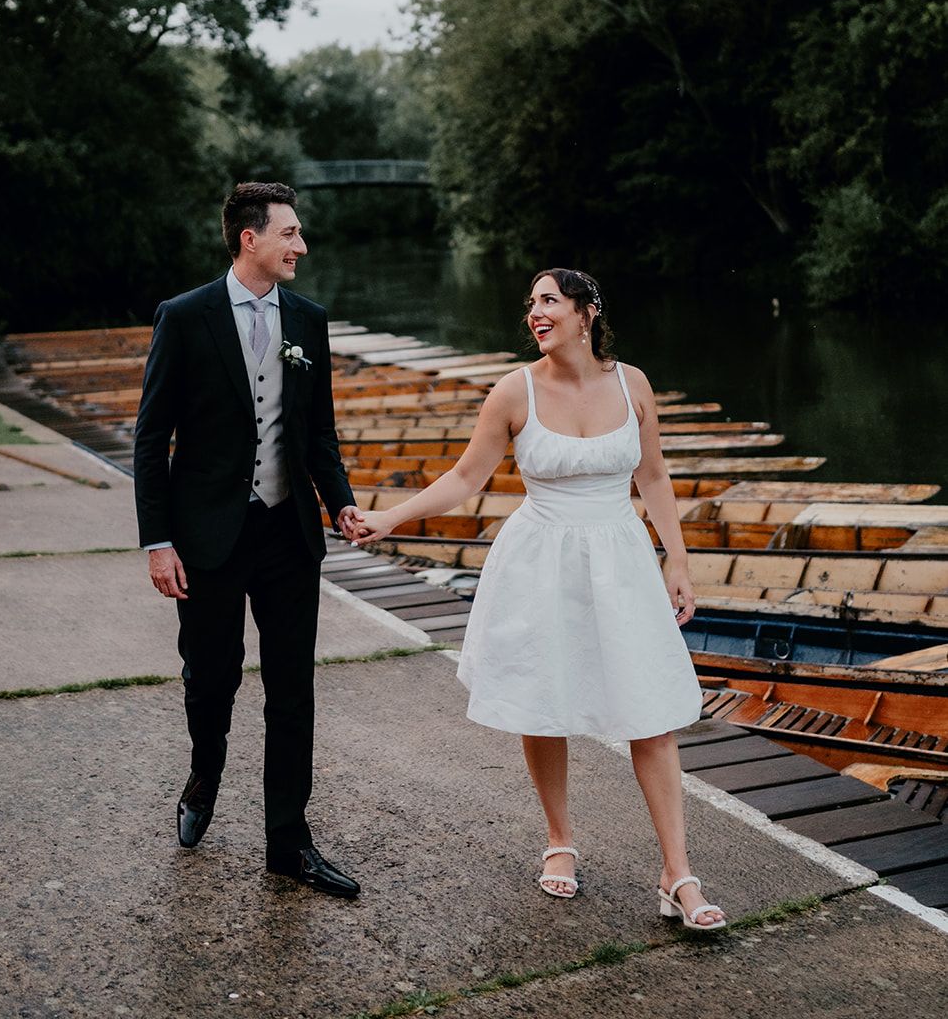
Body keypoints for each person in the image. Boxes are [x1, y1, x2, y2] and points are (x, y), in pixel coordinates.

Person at [353, 267, 726, 929]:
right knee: (542, 700)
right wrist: (388, 517)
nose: (534, 312)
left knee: (651, 712)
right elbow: (466, 477)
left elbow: (653, 474)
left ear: (586, 313)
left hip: (619, 558)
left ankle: (677, 875)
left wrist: (677, 559)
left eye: (548, 300)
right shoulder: (512, 391)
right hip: (539, 559)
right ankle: (559, 841)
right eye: (530, 303)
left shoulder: (631, 383)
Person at [133, 180, 362, 898]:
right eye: (289, 233)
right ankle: (204, 775)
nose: (301, 245)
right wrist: (157, 541)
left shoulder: (308, 320)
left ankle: (287, 845)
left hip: (288, 531)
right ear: (250, 239)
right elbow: (150, 439)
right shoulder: (185, 316)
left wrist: (343, 505)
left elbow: (316, 433)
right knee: (212, 678)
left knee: (292, 691)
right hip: (206, 535)